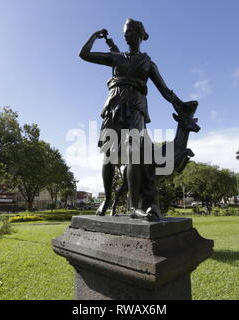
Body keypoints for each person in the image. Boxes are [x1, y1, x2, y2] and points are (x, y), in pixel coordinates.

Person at [80, 19, 185, 218]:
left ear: (137, 33)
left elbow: (165, 91)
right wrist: (95, 35)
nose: (125, 35)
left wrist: (182, 105)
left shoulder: (148, 63)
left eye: (128, 32)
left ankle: (132, 205)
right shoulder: (117, 57)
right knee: (109, 156)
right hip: (114, 106)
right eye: (124, 32)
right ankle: (107, 199)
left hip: (136, 107)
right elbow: (84, 54)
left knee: (134, 153)